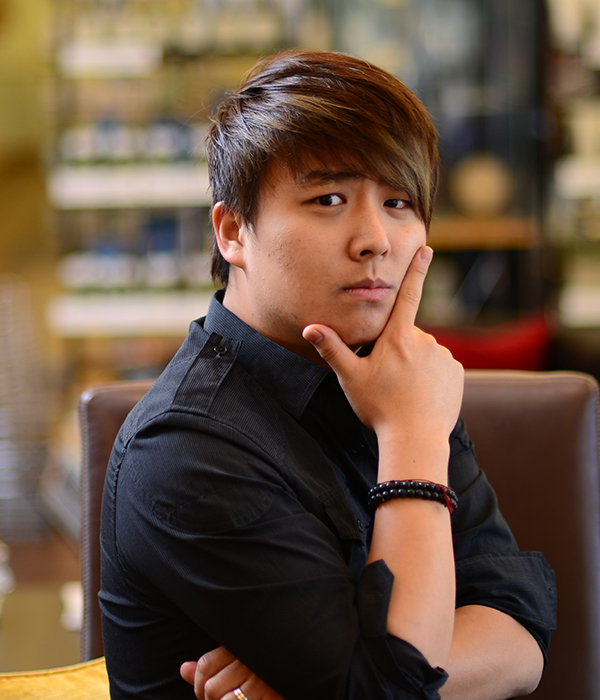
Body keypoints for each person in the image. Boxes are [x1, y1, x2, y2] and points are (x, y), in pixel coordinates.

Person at [100, 49, 556, 700]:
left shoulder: (399, 375)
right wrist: (411, 443)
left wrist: (355, 675)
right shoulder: (184, 446)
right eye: (329, 198)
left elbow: (523, 628)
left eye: (399, 202)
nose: (375, 238)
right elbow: (395, 687)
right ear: (233, 231)